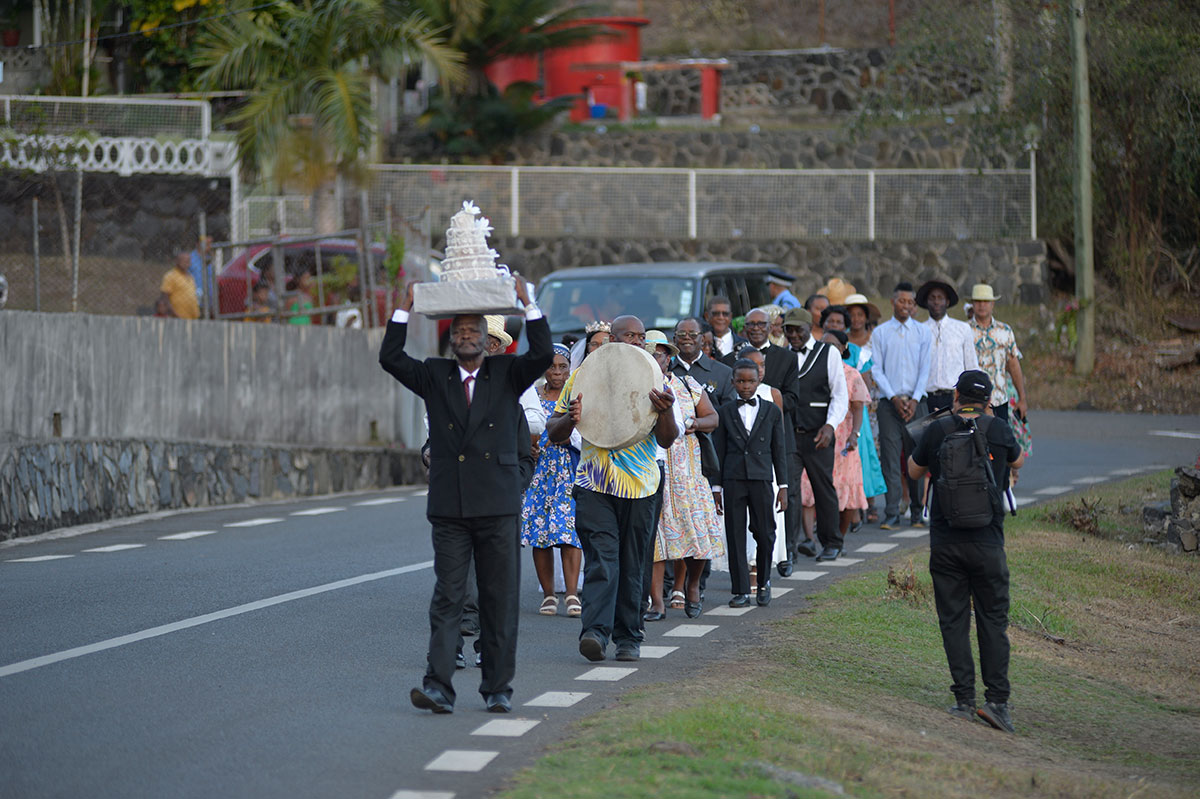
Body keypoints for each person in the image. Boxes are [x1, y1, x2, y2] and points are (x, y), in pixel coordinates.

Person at [379, 275, 551, 715]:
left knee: (498, 599)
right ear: (451, 340)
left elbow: (543, 354)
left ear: (487, 339)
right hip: (451, 508)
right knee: (448, 596)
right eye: (459, 331)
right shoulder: (435, 376)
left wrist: (527, 304)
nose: (467, 336)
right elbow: (391, 357)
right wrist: (405, 307)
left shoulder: (507, 374)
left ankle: (497, 688)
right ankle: (437, 685)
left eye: (474, 330)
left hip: (498, 506)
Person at [546, 315, 683, 664]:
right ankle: (594, 632)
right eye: (628, 335)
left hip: (641, 487)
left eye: (641, 336)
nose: (636, 341)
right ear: (612, 340)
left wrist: (664, 412)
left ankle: (628, 637)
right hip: (593, 483)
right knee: (603, 560)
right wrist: (571, 419)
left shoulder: (657, 378)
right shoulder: (582, 376)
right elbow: (554, 431)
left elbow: (667, 439)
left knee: (633, 563)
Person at [908, 369, 1024, 733]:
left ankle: (963, 699)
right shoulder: (1000, 430)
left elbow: (913, 470)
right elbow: (1018, 461)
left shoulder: (938, 429)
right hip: (988, 543)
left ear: (955, 395)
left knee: (954, 621)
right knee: (993, 622)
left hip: (946, 543)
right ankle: (997, 703)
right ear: (989, 400)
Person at [643, 332, 723, 621]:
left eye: (661, 353)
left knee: (696, 537)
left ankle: (690, 586)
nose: (657, 358)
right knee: (656, 542)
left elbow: (713, 417)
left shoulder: (687, 385)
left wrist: (695, 422)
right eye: (650, 353)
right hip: (651, 473)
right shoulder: (637, 387)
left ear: (669, 357)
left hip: (689, 475)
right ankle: (657, 603)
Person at [711, 359, 789, 607]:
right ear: (733, 382)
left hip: (762, 479)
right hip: (733, 480)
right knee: (734, 535)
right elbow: (718, 451)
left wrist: (784, 486)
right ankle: (741, 589)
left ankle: (764, 582)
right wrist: (716, 487)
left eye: (751, 381)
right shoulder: (724, 412)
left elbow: (779, 450)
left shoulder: (772, 411)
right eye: (741, 381)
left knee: (765, 532)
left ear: (759, 381)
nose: (746, 386)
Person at [520, 344, 583, 618]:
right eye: (551, 366)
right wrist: (526, 447)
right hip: (539, 473)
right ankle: (548, 595)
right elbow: (523, 427)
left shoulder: (576, 396)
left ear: (570, 368)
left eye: (562, 367)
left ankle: (571, 594)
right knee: (540, 534)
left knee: (570, 533)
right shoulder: (532, 396)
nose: (557, 373)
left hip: (569, 471)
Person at [781, 307, 848, 562]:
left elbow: (840, 394)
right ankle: (789, 546)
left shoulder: (828, 352)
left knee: (823, 488)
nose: (794, 334)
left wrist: (830, 425)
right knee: (790, 489)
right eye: (789, 329)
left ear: (811, 328)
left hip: (819, 433)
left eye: (798, 329)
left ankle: (832, 542)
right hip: (790, 434)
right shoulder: (782, 355)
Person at [870, 282, 932, 530]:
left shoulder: (922, 332)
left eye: (911, 302)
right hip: (889, 404)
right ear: (893, 302)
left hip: (918, 402)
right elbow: (876, 368)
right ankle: (893, 512)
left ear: (915, 306)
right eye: (902, 301)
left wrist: (915, 399)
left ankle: (917, 512)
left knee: (917, 457)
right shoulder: (881, 333)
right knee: (891, 458)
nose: (906, 305)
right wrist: (894, 397)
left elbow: (926, 368)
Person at [800, 330, 869, 540]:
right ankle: (810, 540)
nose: (827, 349)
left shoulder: (852, 374)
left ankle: (837, 538)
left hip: (843, 439)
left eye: (833, 346)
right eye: (823, 345)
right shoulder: (811, 369)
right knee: (808, 487)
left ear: (843, 349)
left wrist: (854, 435)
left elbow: (858, 408)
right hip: (817, 435)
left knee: (845, 491)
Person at [967, 284, 1028, 422]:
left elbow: (1013, 365)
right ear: (972, 304)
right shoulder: (964, 331)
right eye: (978, 301)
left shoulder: (1005, 331)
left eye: (986, 301)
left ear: (992, 304)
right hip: (971, 402)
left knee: (999, 442)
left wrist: (1022, 398)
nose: (982, 305)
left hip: (999, 399)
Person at [917, 279, 979, 415]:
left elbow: (971, 366)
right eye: (932, 298)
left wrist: (972, 397)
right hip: (926, 397)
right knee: (929, 436)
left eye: (940, 298)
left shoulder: (962, 329)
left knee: (955, 435)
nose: (936, 302)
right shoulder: (919, 330)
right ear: (927, 302)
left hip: (955, 397)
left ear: (947, 302)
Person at [672, 316, 735, 409]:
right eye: (681, 334)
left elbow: (729, 414)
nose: (687, 337)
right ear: (674, 339)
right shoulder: (665, 371)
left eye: (693, 334)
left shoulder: (725, 373)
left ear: (702, 340)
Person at [159, 251, 200, 320]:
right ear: (177, 261)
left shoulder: (190, 277)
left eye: (188, 260)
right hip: (177, 318)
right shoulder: (171, 276)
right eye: (183, 260)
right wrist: (174, 314)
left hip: (192, 318)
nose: (186, 263)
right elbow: (165, 297)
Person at [705, 295, 747, 359]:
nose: (721, 317)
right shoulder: (701, 346)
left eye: (725, 314)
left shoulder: (745, 345)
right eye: (716, 314)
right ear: (707, 316)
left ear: (730, 316)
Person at [189, 235, 213, 316]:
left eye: (210, 244)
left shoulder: (209, 259)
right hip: (195, 297)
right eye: (206, 244)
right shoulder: (190, 258)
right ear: (198, 244)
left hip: (208, 299)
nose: (209, 246)